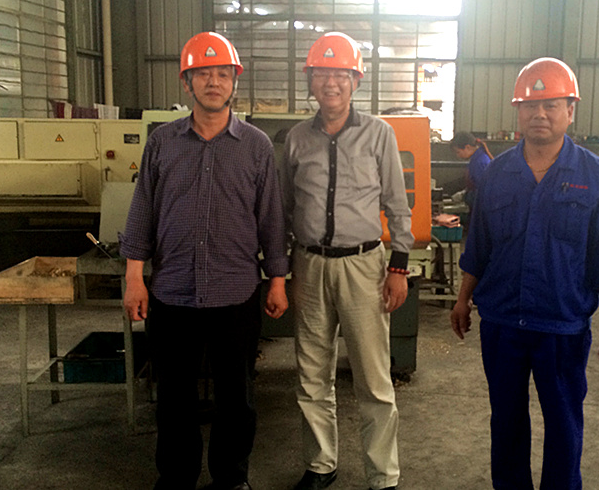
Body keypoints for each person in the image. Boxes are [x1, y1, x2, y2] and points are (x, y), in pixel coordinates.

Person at [121, 31, 288, 490]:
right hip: (172, 292)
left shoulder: (255, 146)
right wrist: (134, 277)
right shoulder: (162, 143)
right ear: (186, 82)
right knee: (174, 397)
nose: (213, 82)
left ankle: (230, 478)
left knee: (237, 396)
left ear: (234, 81)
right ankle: (176, 478)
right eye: (203, 74)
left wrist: (277, 279)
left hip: (236, 292)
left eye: (222, 74)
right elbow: (142, 211)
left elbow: (271, 217)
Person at [450, 57, 599, 489]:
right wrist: (462, 298)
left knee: (564, 424)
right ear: (518, 112)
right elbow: (480, 247)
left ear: (570, 110)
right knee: (506, 422)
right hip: (503, 323)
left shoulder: (596, 176)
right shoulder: (497, 174)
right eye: (530, 105)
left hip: (561, 325)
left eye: (551, 105)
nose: (540, 114)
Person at [280, 31, 413, 490]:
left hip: (363, 267)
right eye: (322, 74)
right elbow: (284, 207)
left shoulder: (379, 134)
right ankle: (321, 465)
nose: (331, 83)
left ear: (356, 80)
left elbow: (397, 205)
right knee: (312, 375)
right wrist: (282, 270)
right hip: (309, 266)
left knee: (373, 379)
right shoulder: (296, 139)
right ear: (311, 81)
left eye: (340, 74)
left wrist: (399, 268)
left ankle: (383, 475)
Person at [449, 131, 494, 211]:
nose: (458, 156)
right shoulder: (477, 159)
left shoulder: (479, 162)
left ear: (468, 147)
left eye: (458, 152)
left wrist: (465, 196)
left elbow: (484, 192)